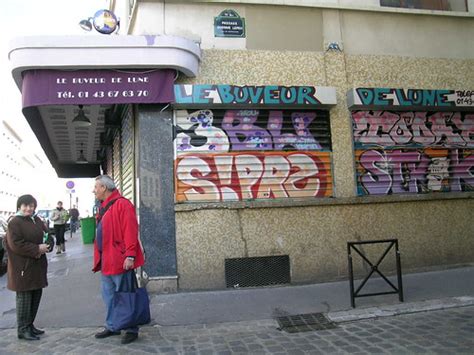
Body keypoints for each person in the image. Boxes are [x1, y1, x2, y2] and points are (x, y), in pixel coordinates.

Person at [92, 175, 145, 345]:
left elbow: (130, 231)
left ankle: (130, 329)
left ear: (104, 188)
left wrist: (130, 255)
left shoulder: (123, 204)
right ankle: (113, 326)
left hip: (120, 260)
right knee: (109, 296)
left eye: (96, 187)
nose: (94, 190)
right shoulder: (103, 206)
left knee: (125, 296)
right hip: (107, 260)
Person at [5, 194, 54, 341]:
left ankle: (30, 325)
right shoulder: (14, 223)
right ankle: (23, 329)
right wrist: (37, 249)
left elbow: (47, 235)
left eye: (31, 206)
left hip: (37, 267)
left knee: (35, 296)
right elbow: (16, 244)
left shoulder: (37, 220)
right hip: (22, 268)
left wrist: (49, 244)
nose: (28, 208)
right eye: (25, 205)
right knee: (24, 299)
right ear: (19, 206)